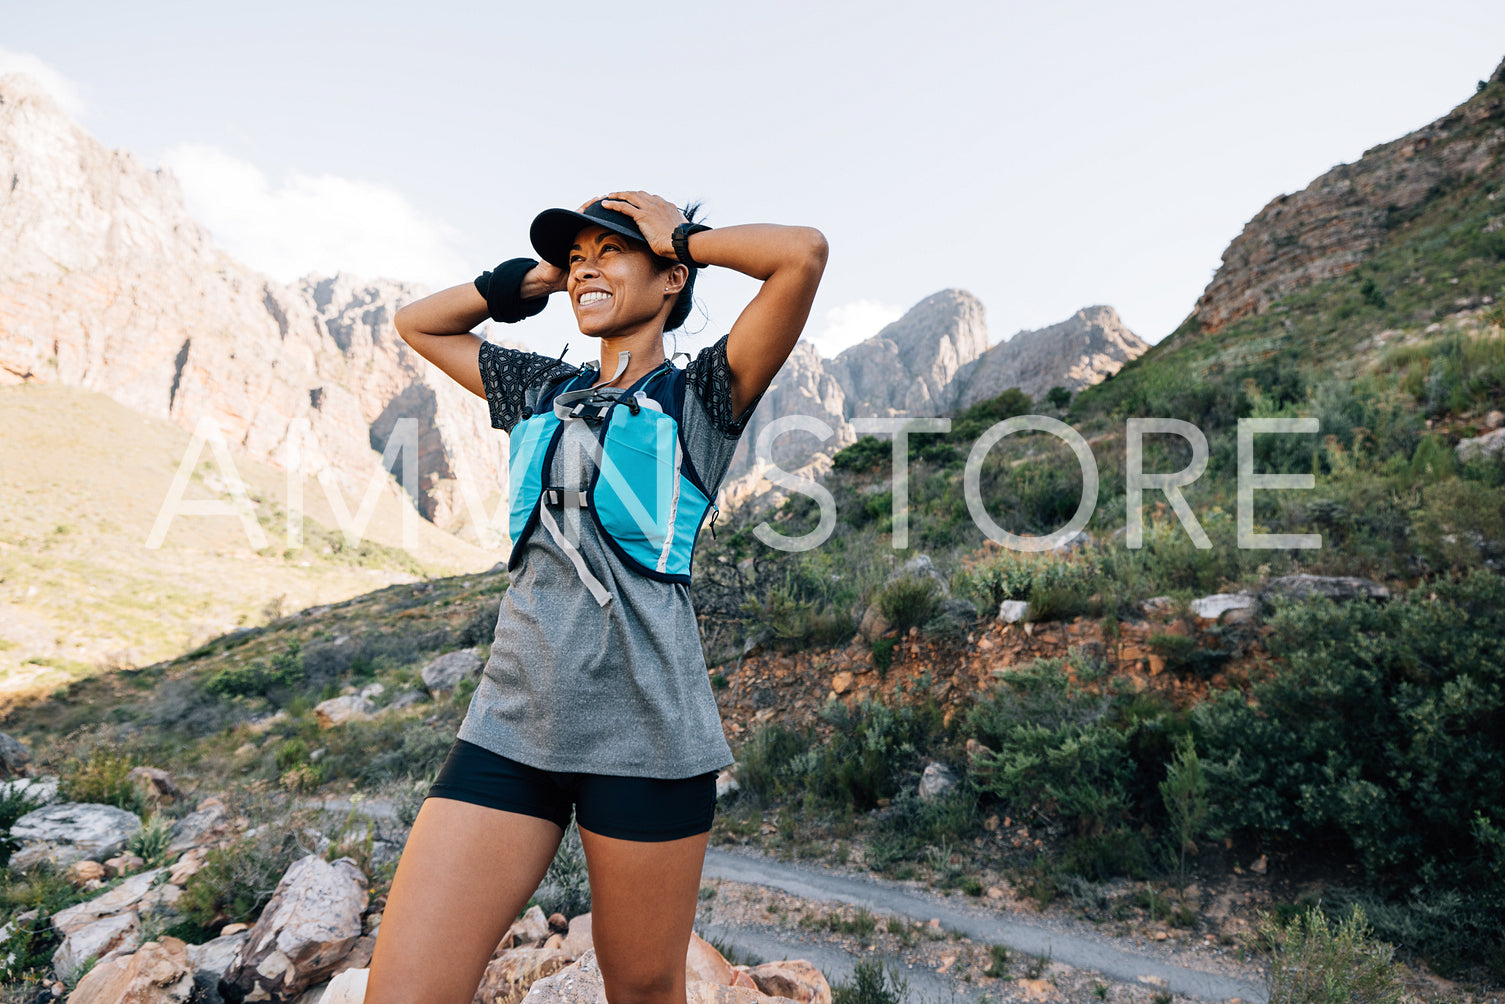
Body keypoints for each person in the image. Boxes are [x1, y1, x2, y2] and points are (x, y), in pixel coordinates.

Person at [368, 190, 827, 1004]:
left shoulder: (703, 399)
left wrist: (683, 235)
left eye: (610, 252)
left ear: (669, 279)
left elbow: (801, 254)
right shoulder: (537, 389)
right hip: (513, 727)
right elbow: (418, 322)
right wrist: (538, 282)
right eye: (576, 254)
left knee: (643, 989)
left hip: (648, 737)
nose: (587, 265)